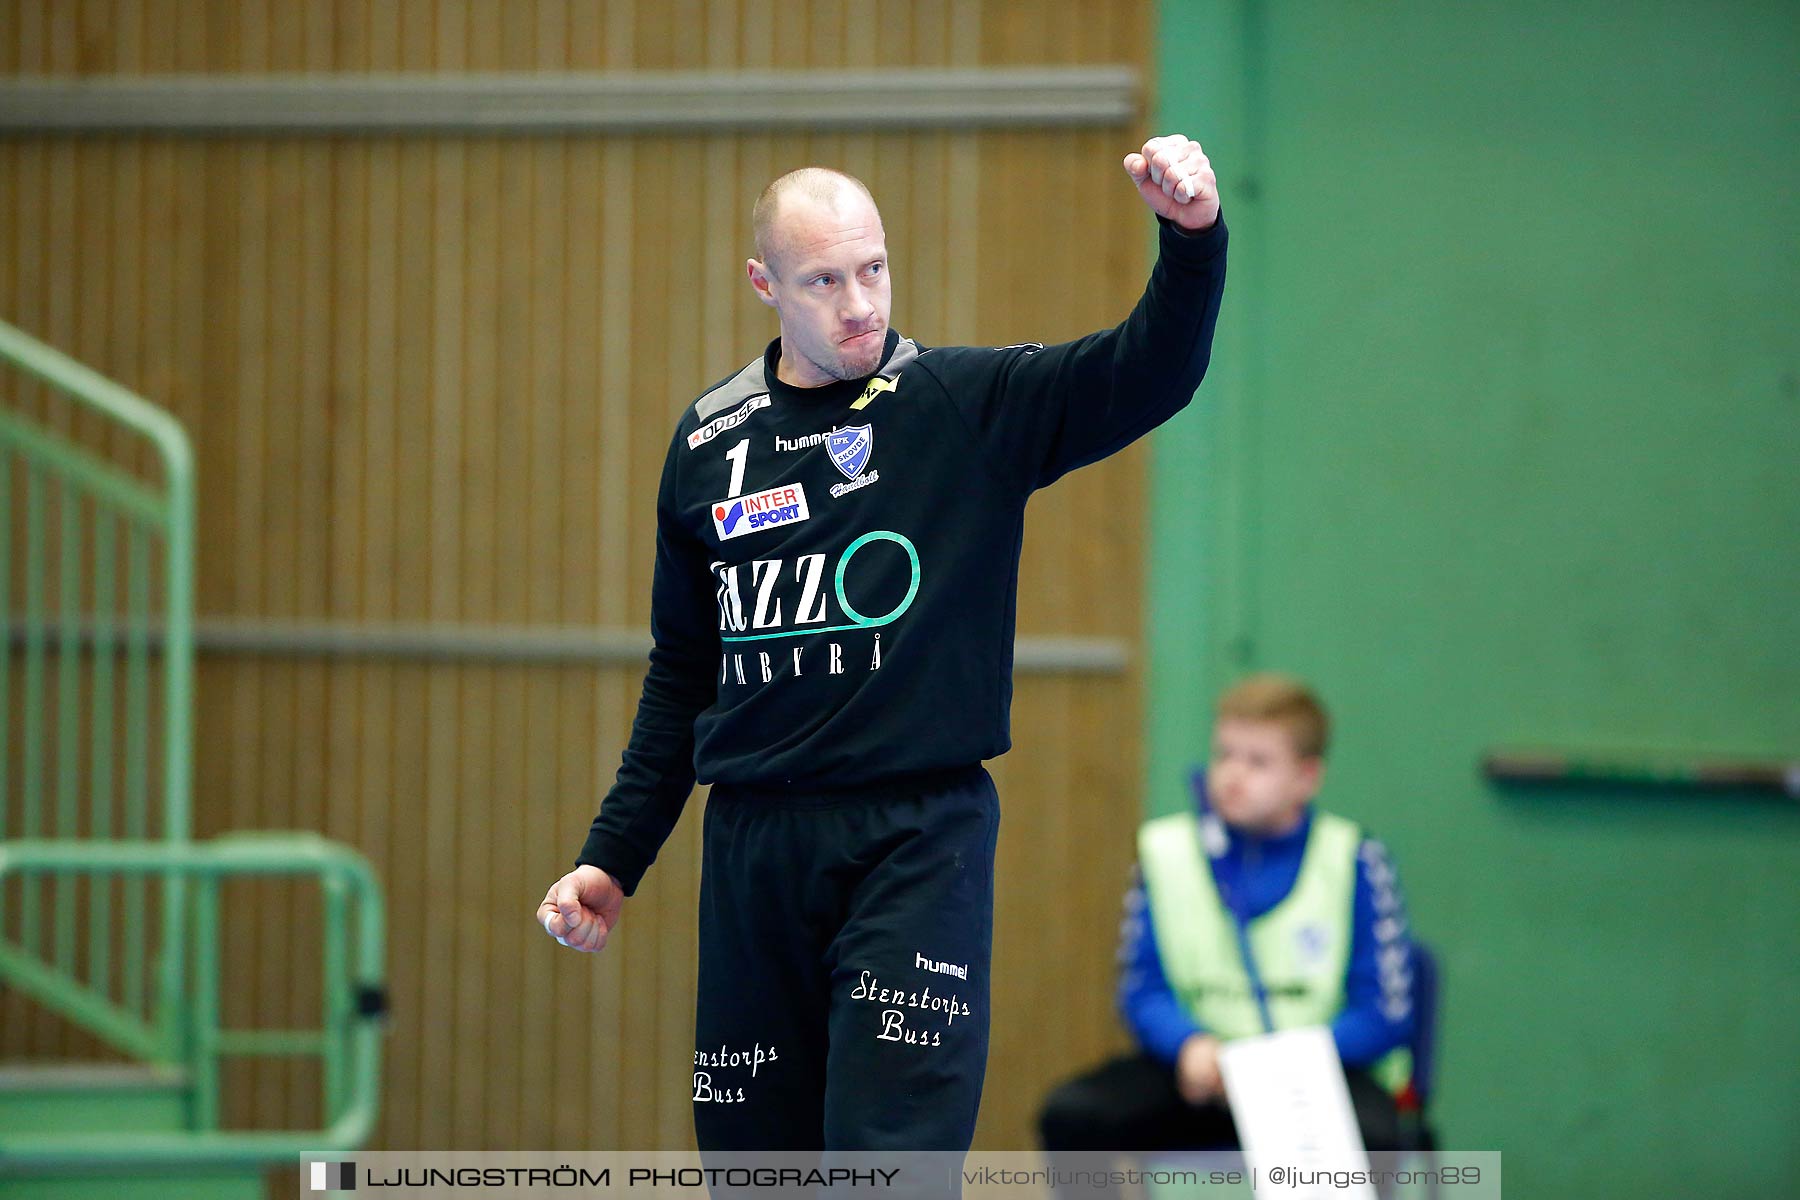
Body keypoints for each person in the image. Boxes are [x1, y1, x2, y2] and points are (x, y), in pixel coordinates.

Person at [536, 134, 1229, 1153]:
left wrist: (1193, 237)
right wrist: (613, 857)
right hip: (753, 850)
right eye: (823, 280)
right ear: (763, 283)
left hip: (916, 842)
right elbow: (686, 674)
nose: (860, 302)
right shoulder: (706, 446)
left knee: (887, 1157)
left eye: (875, 268)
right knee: (753, 1160)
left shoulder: (964, 406)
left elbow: (1150, 370)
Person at [1037, 673, 1416, 1160]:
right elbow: (1141, 990)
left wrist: (1274, 1063)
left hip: (1315, 1073)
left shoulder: (1354, 859)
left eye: (1258, 761)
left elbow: (1383, 1012)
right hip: (1200, 1070)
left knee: (1374, 1141)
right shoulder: (1165, 852)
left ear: (1307, 777)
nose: (1233, 774)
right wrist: (1189, 1045)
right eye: (1225, 755)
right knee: (1074, 1115)